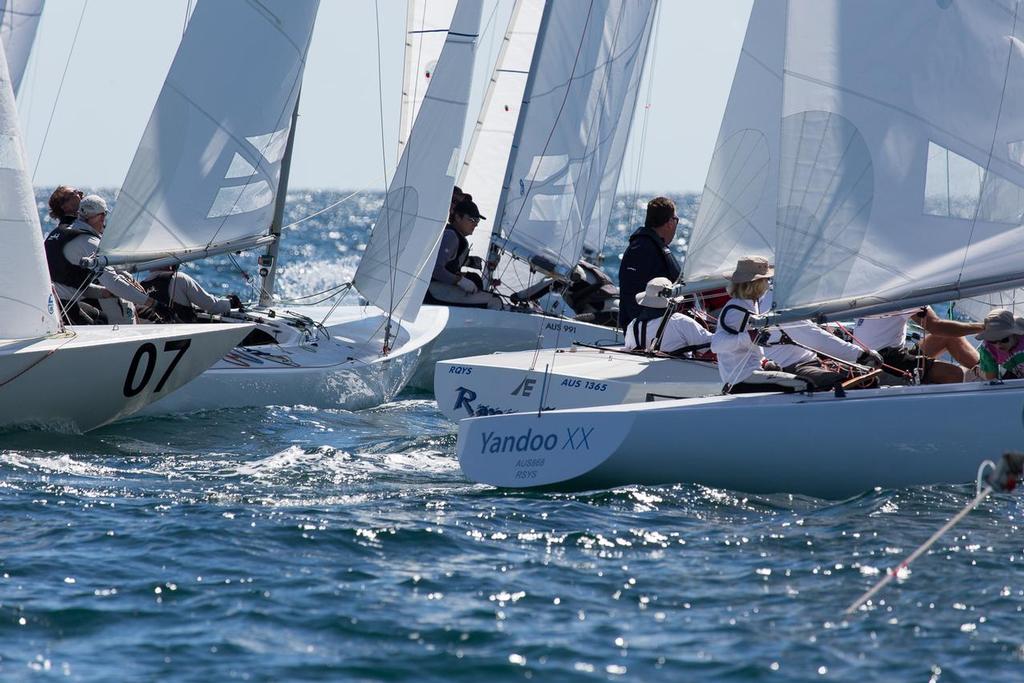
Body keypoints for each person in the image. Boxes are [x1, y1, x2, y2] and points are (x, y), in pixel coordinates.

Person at [43, 194, 159, 324]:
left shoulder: (59, 233)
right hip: (62, 305)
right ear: (102, 216)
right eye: (104, 216)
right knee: (101, 325)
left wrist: (103, 292)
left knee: (102, 318)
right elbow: (113, 282)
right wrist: (153, 303)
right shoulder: (89, 241)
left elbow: (68, 282)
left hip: (49, 302)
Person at [711, 256, 808, 394]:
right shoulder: (736, 310)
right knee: (804, 384)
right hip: (742, 379)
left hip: (749, 374)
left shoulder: (748, 303)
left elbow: (746, 348)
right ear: (757, 284)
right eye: (766, 280)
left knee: (793, 377)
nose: (769, 283)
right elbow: (716, 345)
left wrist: (763, 361)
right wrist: (749, 337)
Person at [758, 291, 882, 391]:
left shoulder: (755, 301)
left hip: (804, 362)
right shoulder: (777, 303)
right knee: (867, 381)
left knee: (863, 375)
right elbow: (816, 339)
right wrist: (861, 354)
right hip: (794, 367)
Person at [852, 306, 983, 383]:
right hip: (882, 363)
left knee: (948, 337)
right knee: (955, 373)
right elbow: (936, 326)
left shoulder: (876, 291)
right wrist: (983, 327)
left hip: (864, 358)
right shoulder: (906, 294)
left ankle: (986, 371)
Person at [618, 196, 682, 331]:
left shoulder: (640, 246)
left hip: (638, 330)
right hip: (650, 333)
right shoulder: (647, 250)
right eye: (676, 220)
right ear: (670, 222)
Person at [425, 199, 502, 309]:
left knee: (475, 279)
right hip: (433, 291)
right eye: (472, 219)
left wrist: (470, 264)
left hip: (437, 289)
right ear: (457, 217)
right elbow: (434, 269)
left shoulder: (454, 236)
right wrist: (460, 281)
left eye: (477, 221)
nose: (475, 224)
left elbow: (449, 263)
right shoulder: (450, 236)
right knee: (494, 301)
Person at [624, 277, 712, 355]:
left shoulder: (633, 325)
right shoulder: (680, 321)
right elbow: (712, 344)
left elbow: (630, 350)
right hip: (680, 373)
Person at [141, 265, 244, 322]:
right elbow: (212, 306)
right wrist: (231, 303)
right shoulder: (179, 278)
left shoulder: (140, 287)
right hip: (182, 338)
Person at [975, 309, 1024, 380]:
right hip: (1013, 375)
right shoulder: (987, 348)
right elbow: (992, 379)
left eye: (1004, 340)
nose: (998, 346)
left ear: (1015, 334)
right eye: (993, 341)